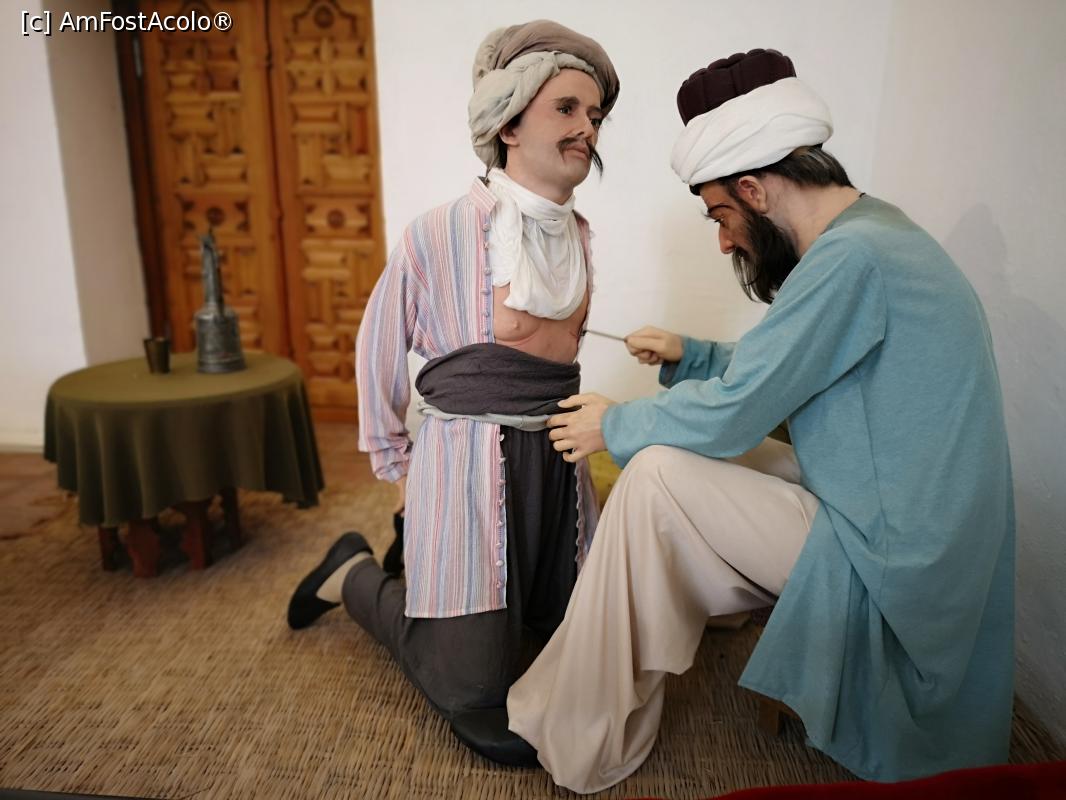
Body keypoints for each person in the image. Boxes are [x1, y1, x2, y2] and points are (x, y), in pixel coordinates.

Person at [456, 48, 1015, 792]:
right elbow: (788, 370)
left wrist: (615, 426)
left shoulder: (851, 260)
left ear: (753, 189)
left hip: (896, 569)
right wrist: (690, 355)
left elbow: (739, 410)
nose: (723, 241)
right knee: (680, 463)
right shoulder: (876, 233)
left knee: (655, 473)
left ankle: (581, 728)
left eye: (721, 216)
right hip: (901, 527)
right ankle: (612, 669)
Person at [285, 20, 619, 753]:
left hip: (557, 467)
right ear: (508, 123)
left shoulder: (580, 235)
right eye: (566, 108)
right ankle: (353, 574)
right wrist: (402, 471)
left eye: (594, 115)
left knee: (572, 641)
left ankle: (491, 601)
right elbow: (378, 346)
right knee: (470, 683)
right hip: (466, 465)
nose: (587, 129)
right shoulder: (438, 233)